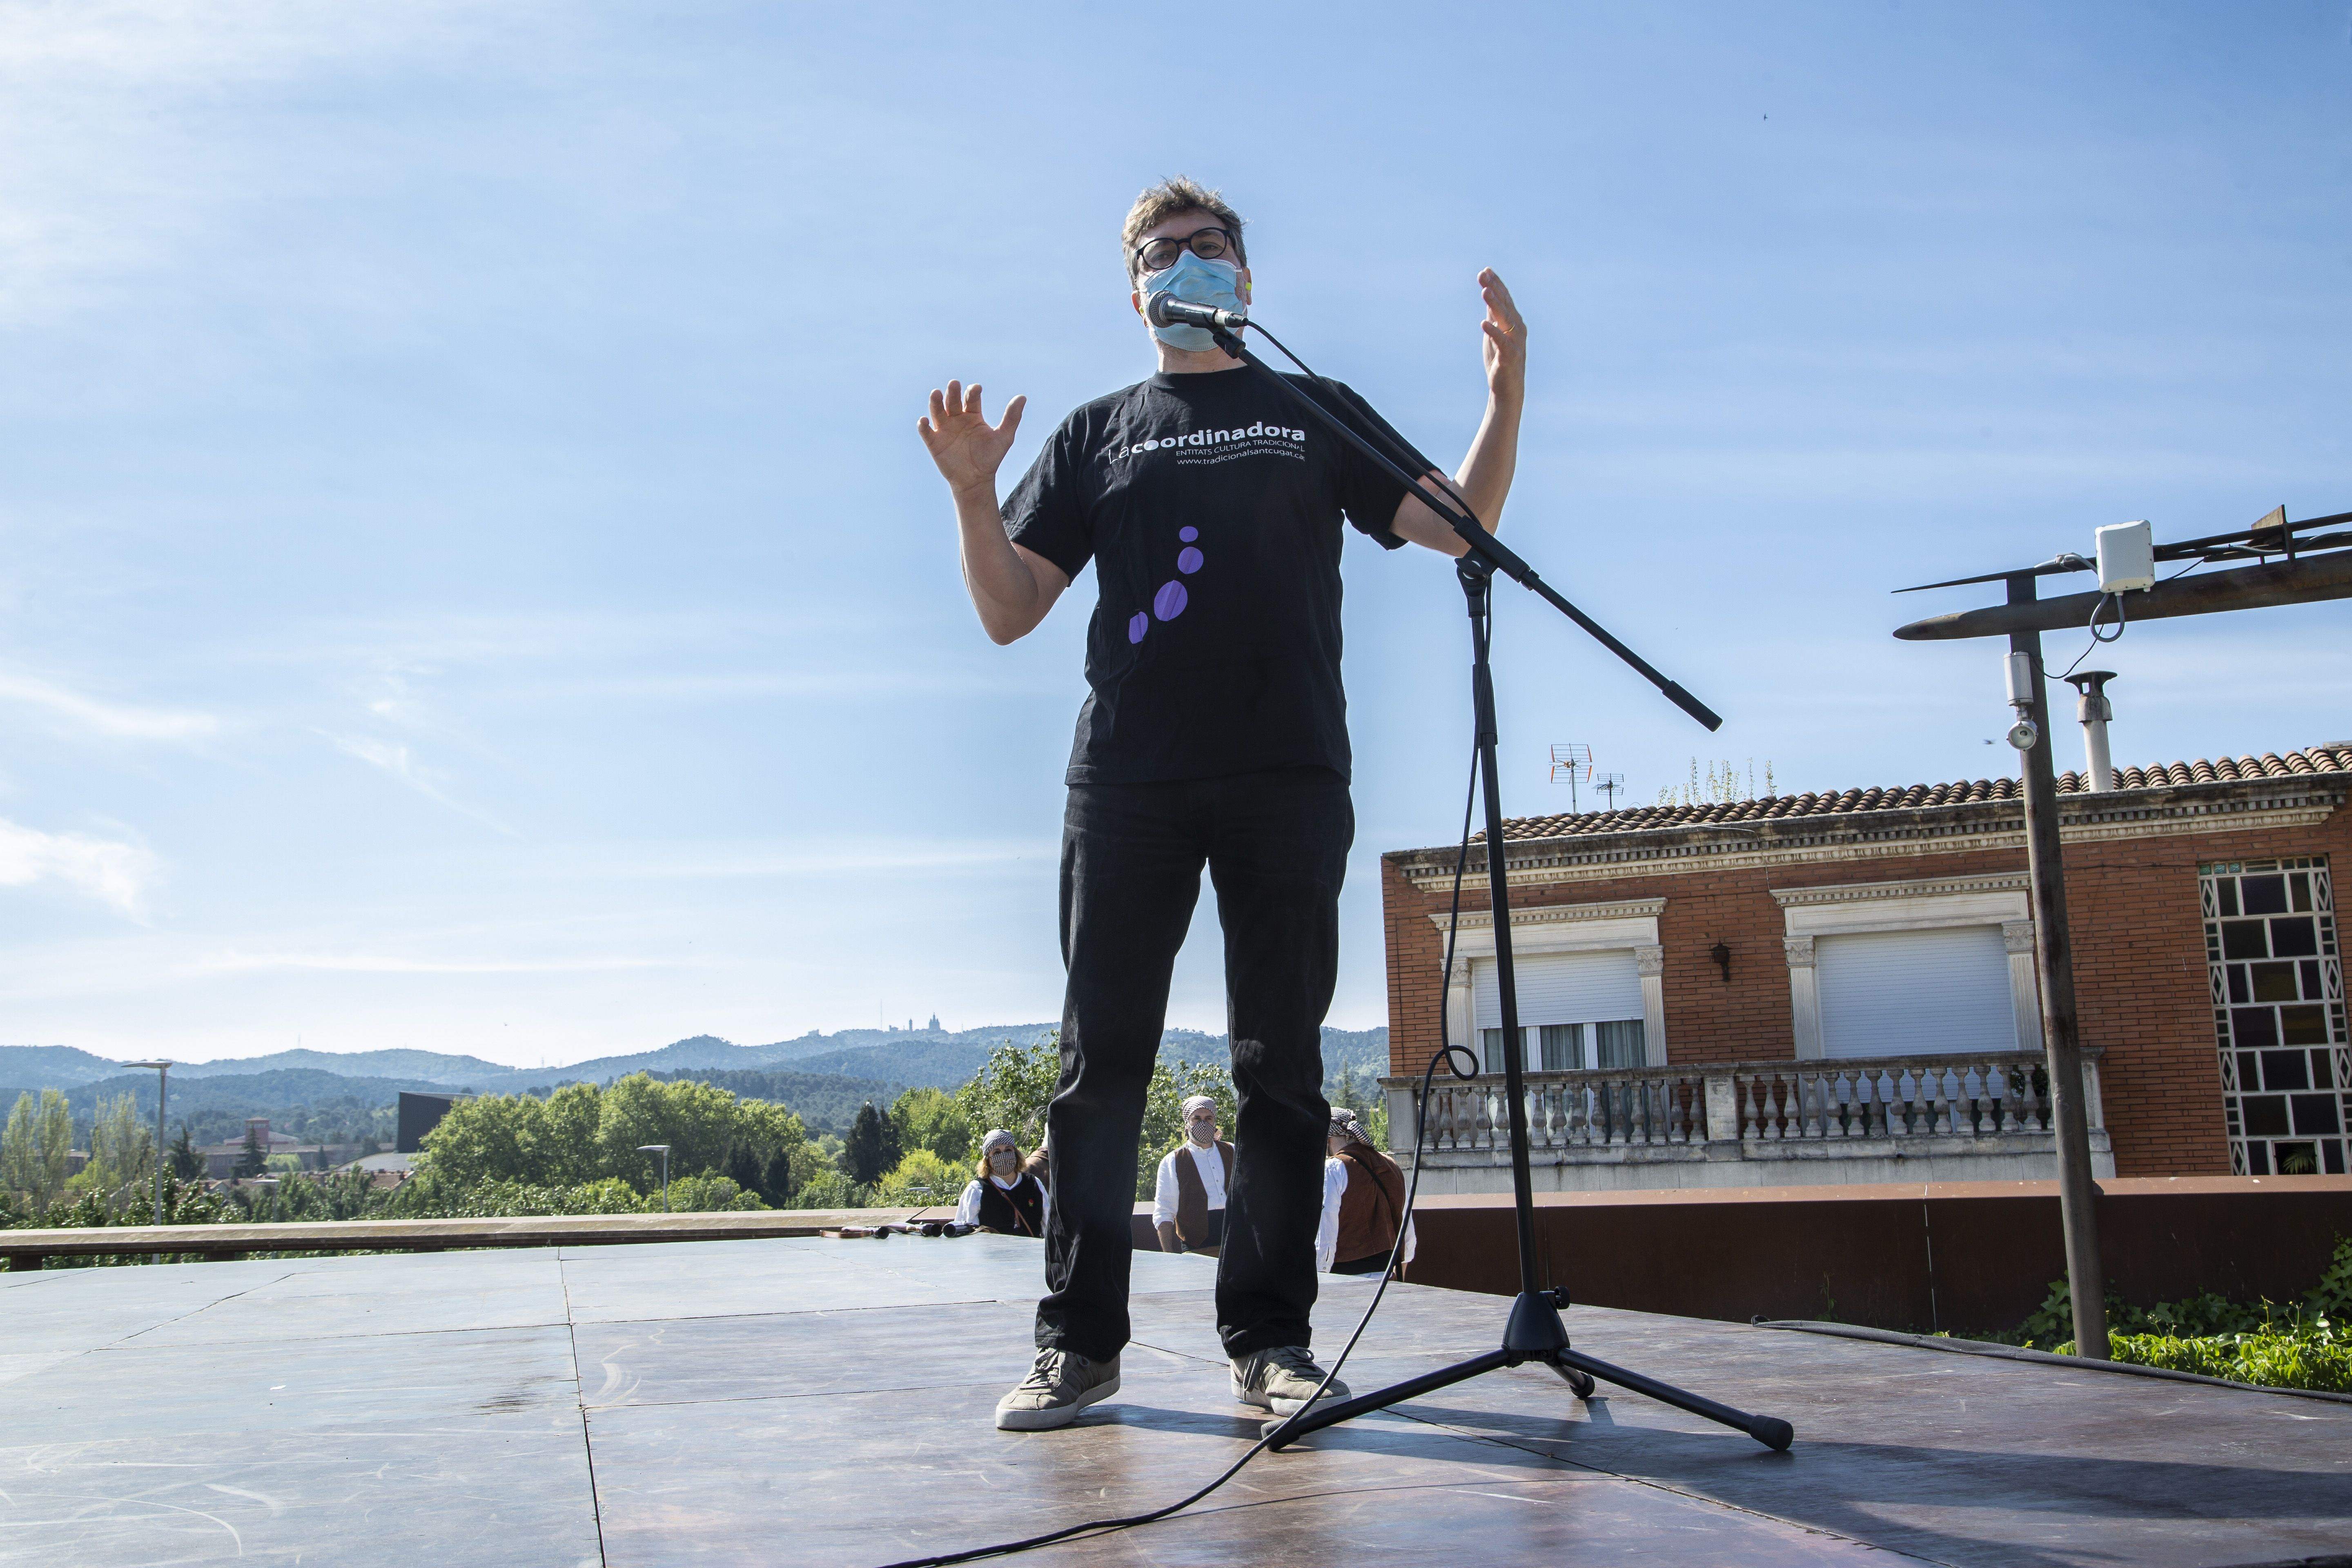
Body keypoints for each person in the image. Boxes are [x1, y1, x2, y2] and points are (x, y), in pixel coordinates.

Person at [918, 175, 1525, 1433]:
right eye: (1163, 251)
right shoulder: (1097, 433)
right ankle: (1078, 1348)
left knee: (1281, 1069)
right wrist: (976, 493)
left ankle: (1272, 1341)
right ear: (1134, 289)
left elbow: (1458, 529)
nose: (1187, 263)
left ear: (1247, 280)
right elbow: (1006, 610)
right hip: (1129, 781)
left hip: (1286, 773)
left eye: (1209, 247)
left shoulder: (1309, 409)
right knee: (1099, 1071)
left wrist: (1504, 400)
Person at [1315, 1108, 1414, 1276]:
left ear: (1328, 1138)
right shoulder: (1392, 1165)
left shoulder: (1333, 1168)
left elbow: (1326, 1230)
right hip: (1387, 1275)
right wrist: (1402, 1268)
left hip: (1347, 1279)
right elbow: (1406, 1225)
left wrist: (1322, 1274)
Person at [1153, 1095, 1234, 1258]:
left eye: (1208, 1118)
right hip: (1197, 1252)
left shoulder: (1233, 1151)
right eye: (1197, 1118)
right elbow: (1164, 1213)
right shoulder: (1173, 1162)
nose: (1203, 1123)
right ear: (1187, 1123)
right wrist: (1169, 1258)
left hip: (1237, 1247)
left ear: (1214, 1122)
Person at [956, 1128, 1049, 1237]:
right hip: (992, 1253)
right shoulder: (977, 1190)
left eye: (1008, 1150)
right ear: (988, 1160)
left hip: (1031, 1253)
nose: (1004, 1155)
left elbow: (1049, 1227)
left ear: (1016, 1153)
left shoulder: (1034, 1184)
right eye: (997, 1152)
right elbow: (966, 1233)